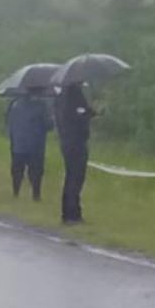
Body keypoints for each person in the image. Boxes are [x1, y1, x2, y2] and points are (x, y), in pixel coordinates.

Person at [54, 83, 94, 224]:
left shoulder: (60, 97)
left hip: (66, 141)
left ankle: (69, 213)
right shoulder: (73, 94)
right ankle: (72, 214)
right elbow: (78, 114)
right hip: (76, 141)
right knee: (75, 179)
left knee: (71, 177)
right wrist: (89, 113)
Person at [6, 88, 53, 201]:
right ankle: (36, 195)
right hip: (35, 144)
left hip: (17, 143)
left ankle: (15, 192)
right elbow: (48, 125)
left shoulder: (14, 104)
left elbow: (9, 122)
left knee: (17, 170)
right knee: (36, 171)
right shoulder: (41, 106)